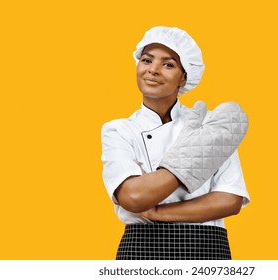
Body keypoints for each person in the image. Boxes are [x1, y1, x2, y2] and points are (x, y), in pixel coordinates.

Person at [101, 26, 250, 260]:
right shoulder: (118, 129)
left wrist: (156, 210)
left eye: (168, 64)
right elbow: (133, 197)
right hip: (142, 246)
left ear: (184, 77)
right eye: (147, 60)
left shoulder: (212, 125)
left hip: (207, 247)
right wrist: (193, 158)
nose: (153, 70)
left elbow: (229, 199)